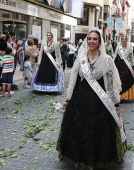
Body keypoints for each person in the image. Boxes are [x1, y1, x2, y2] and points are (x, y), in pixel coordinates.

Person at [56, 30, 127, 170]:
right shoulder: (81, 57)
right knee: (80, 128)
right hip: (81, 98)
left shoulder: (107, 60)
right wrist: (69, 99)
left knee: (99, 129)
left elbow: (111, 83)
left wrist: (116, 104)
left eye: (95, 39)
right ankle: (79, 156)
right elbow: (74, 79)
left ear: (99, 41)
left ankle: (98, 158)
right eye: (89, 39)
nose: (91, 41)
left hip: (101, 101)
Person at [113, 35, 134, 100]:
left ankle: (125, 96)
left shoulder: (130, 47)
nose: (124, 40)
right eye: (123, 39)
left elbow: (131, 57)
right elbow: (115, 55)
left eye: (125, 39)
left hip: (127, 66)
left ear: (127, 40)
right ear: (121, 40)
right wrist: (112, 63)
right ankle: (120, 96)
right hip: (120, 65)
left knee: (127, 79)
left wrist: (133, 65)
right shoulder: (118, 47)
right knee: (119, 79)